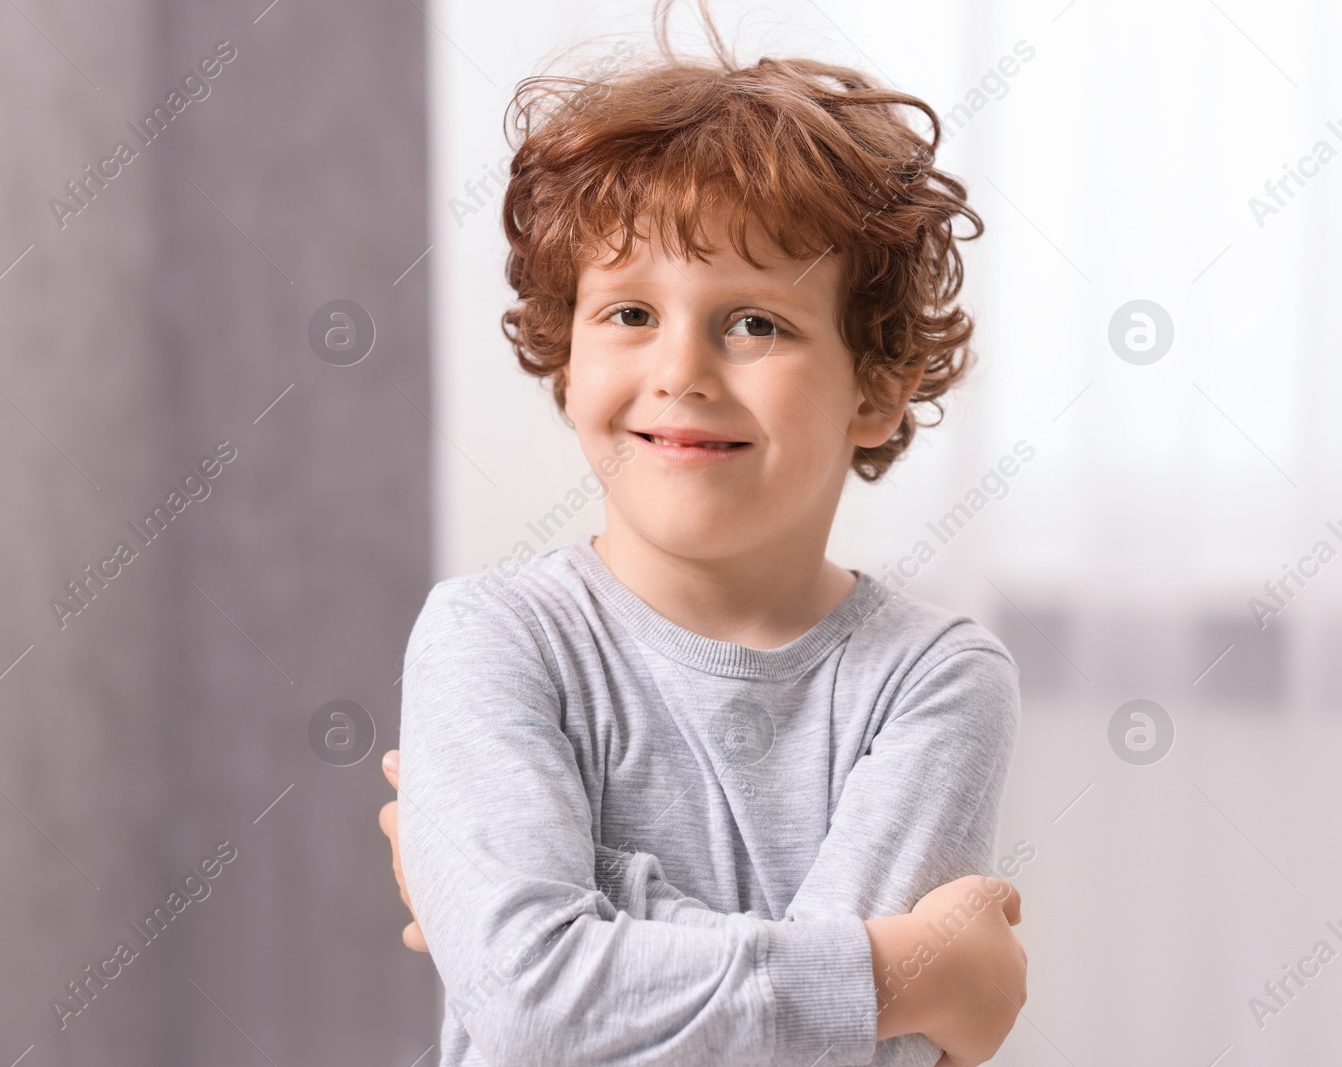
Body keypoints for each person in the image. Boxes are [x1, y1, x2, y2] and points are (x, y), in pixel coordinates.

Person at [379, 2, 1027, 1063]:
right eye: (629, 313)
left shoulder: (936, 679)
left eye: (754, 321)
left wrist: (582, 901)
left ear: (875, 387)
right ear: (566, 352)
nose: (679, 371)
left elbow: (835, 1053)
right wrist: (903, 970)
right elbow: (532, 1005)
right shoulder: (489, 635)